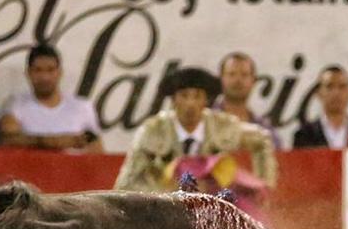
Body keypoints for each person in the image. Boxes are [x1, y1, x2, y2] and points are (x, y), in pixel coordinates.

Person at [114, 66, 277, 192]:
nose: (190, 104)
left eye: (197, 96)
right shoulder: (152, 131)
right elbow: (126, 184)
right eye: (184, 96)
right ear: (174, 101)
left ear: (205, 101)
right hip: (165, 211)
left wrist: (265, 185)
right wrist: (165, 193)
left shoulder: (222, 126)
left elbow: (261, 140)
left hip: (213, 208)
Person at [0, 44, 103, 153]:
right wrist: (56, 142)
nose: (45, 77)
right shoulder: (15, 104)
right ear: (28, 73)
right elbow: (8, 140)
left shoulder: (83, 106)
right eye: (38, 70)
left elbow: (98, 153)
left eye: (50, 70)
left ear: (60, 72)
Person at [293, 65, 348, 150]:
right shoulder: (304, 134)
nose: (336, 93)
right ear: (318, 93)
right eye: (329, 86)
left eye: (342, 86)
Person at [213, 52, 280, 148]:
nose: (238, 80)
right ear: (221, 79)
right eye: (232, 74)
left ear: (253, 81)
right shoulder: (204, 124)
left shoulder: (265, 130)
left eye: (244, 75)